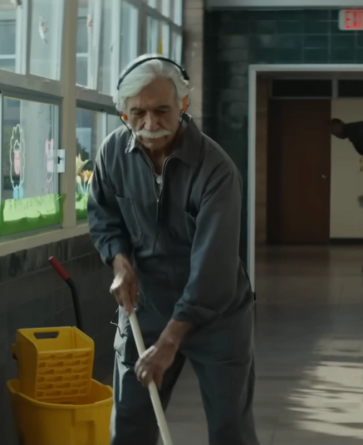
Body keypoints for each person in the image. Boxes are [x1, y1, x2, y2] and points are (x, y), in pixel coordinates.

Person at [88, 54, 258, 445]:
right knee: (130, 425)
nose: (150, 124)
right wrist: (120, 263)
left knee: (230, 429)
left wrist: (168, 344)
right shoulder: (112, 153)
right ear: (122, 113)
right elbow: (104, 217)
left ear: (183, 104)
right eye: (137, 114)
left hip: (217, 315)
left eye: (162, 110)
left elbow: (212, 270)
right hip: (145, 310)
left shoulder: (216, 170)